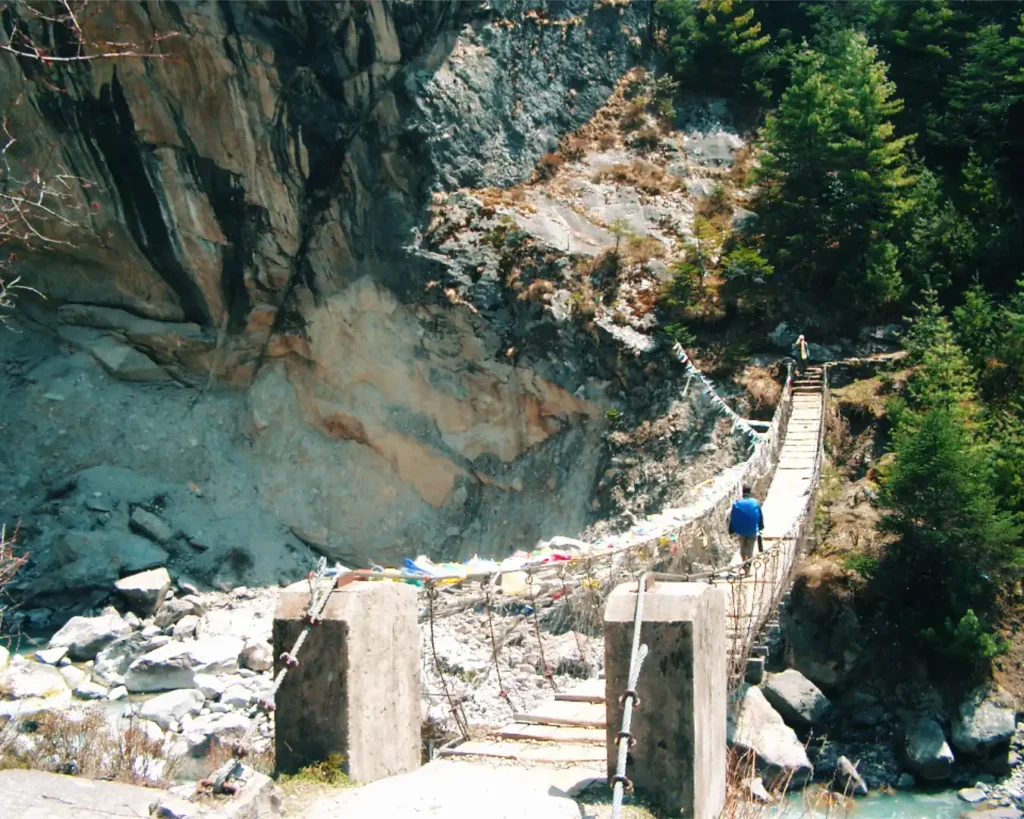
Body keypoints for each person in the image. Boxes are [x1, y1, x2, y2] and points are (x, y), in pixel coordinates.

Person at [728, 485, 764, 575]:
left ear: (742, 492)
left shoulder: (737, 503)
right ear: (750, 492)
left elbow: (733, 517)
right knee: (750, 549)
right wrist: (761, 527)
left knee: (743, 548)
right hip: (752, 530)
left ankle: (745, 564)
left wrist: (731, 530)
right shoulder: (755, 503)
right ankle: (748, 567)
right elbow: (760, 516)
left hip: (741, 530)